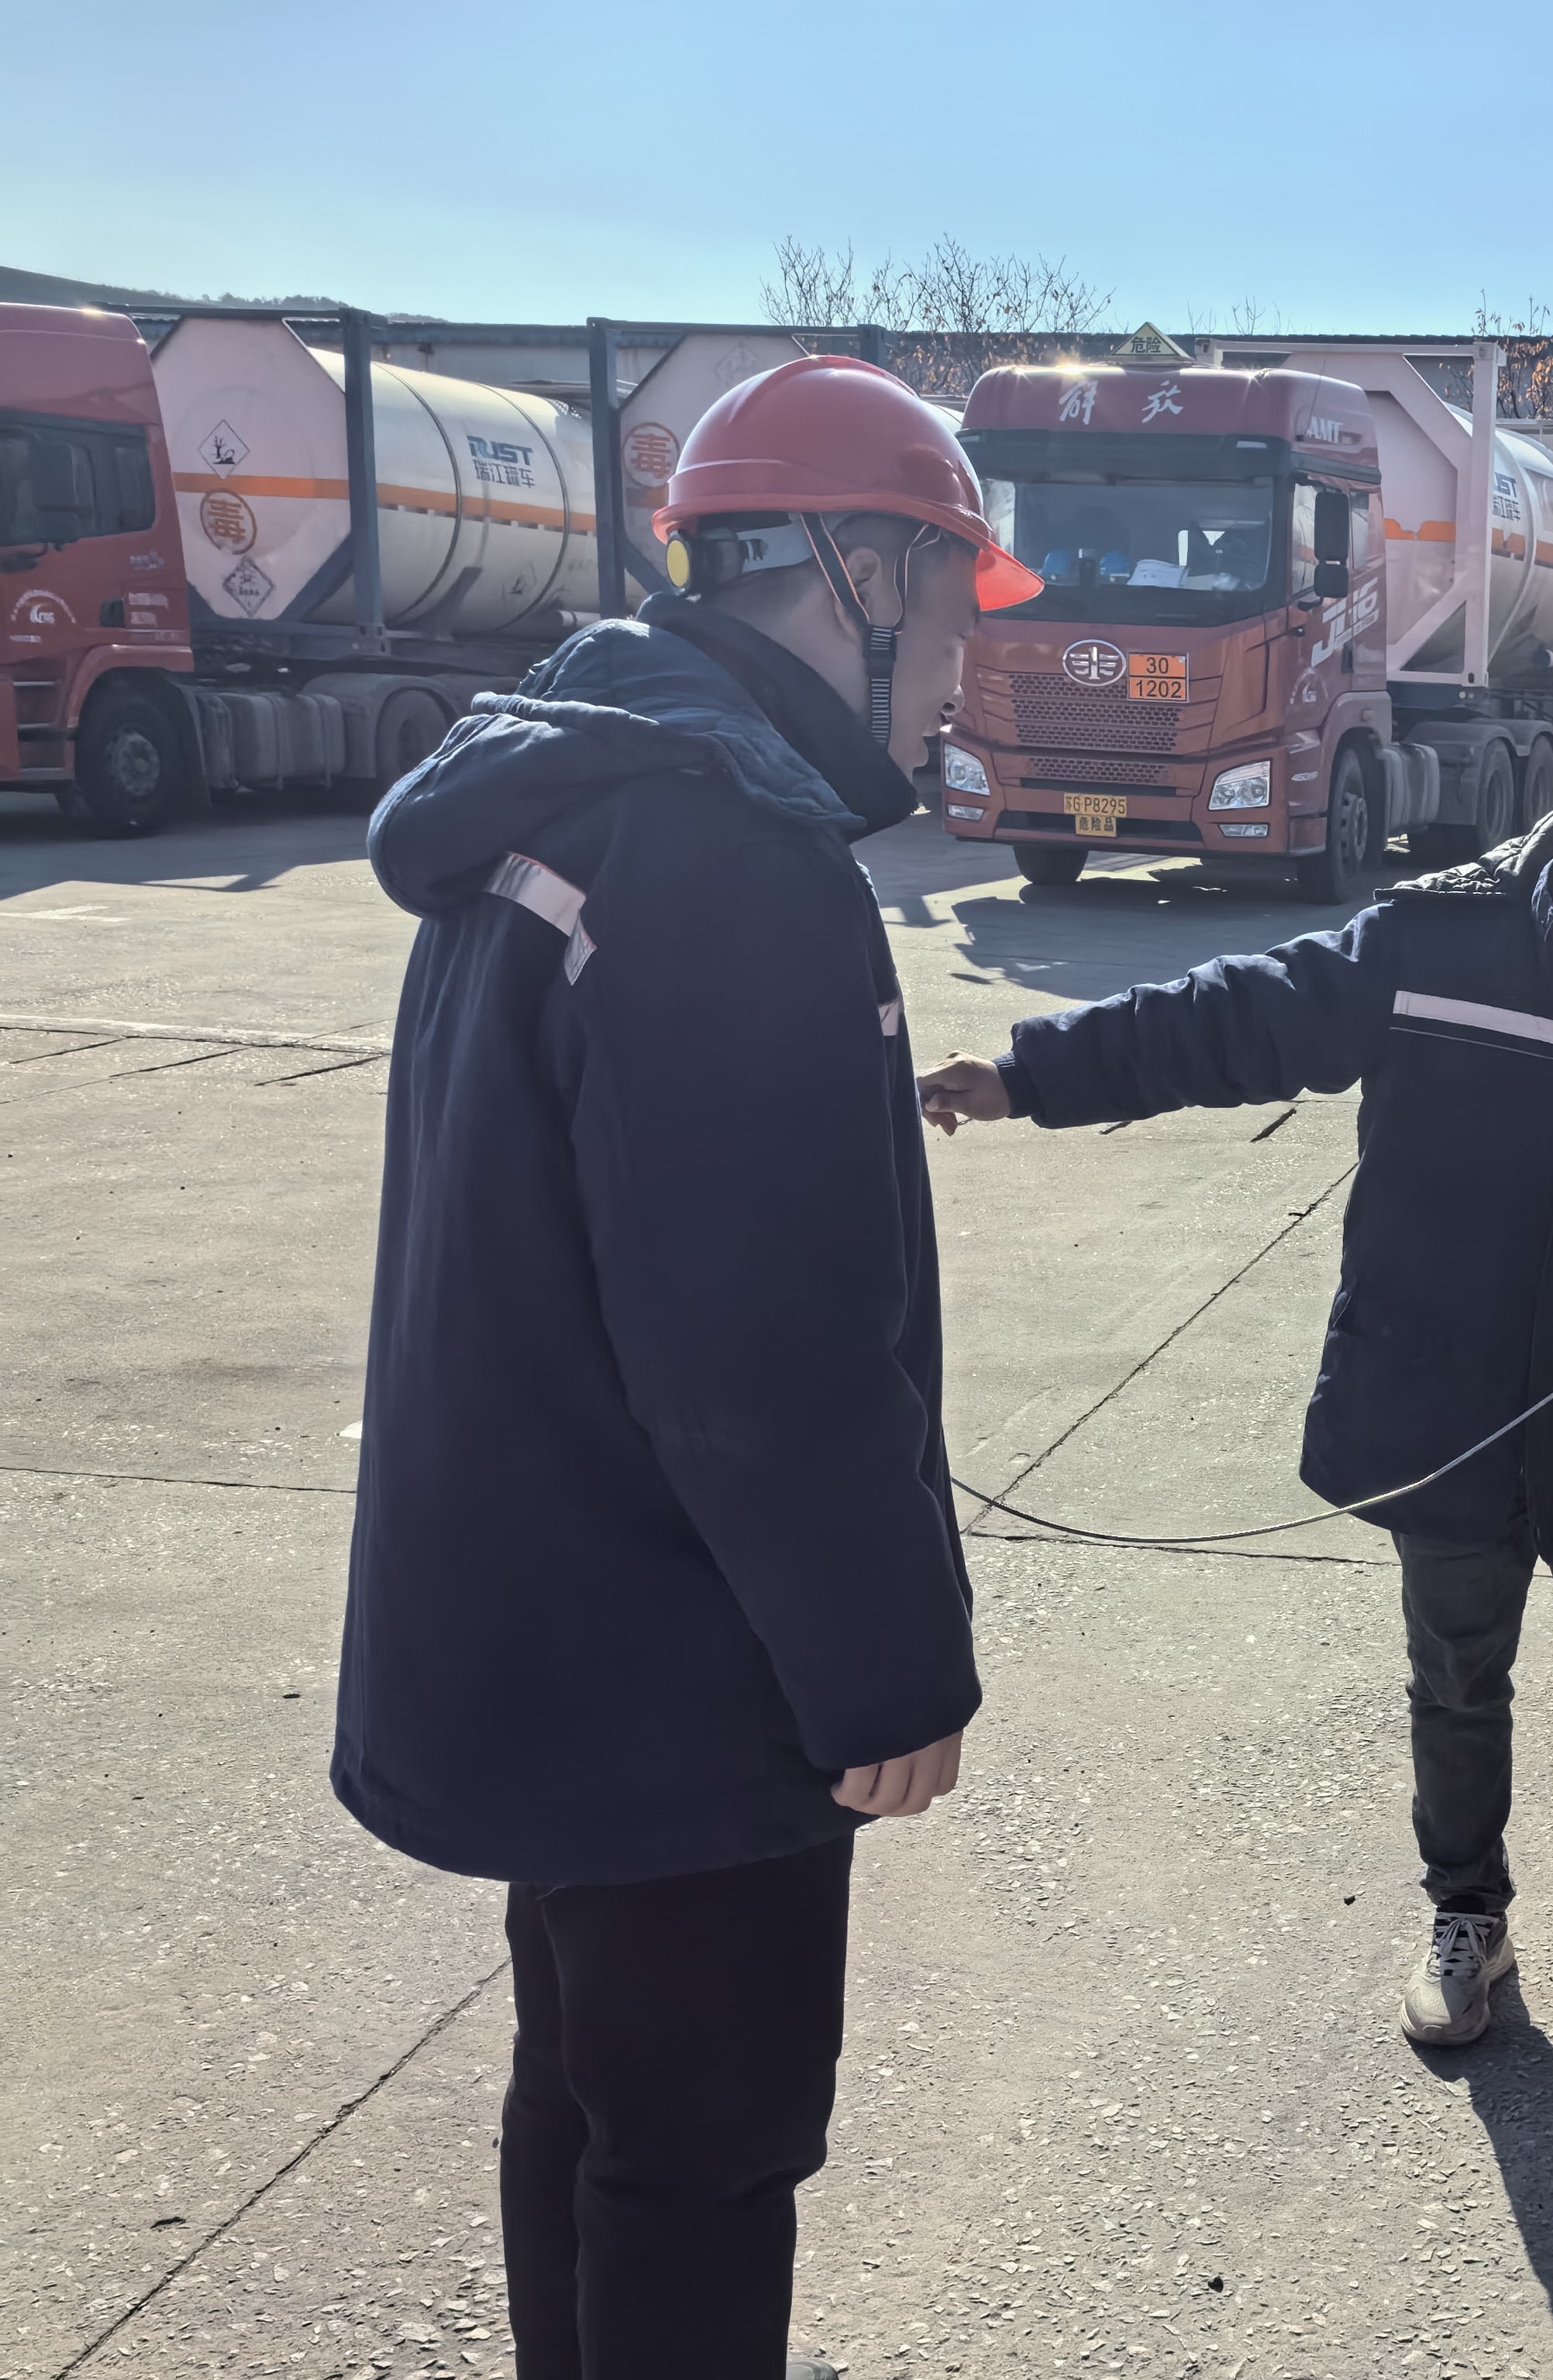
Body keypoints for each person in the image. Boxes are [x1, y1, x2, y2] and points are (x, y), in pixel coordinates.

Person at [334, 354, 1042, 2380]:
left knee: (590, 2098)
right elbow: (759, 1344)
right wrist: (885, 1670)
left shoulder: (574, 792)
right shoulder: (725, 851)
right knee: (705, 2156)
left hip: (551, 1617)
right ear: (859, 573)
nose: (961, 681)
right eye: (952, 613)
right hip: (678, 1653)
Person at [918, 696, 1553, 2048]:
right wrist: (1027, 1073)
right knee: (1457, 1680)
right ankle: (1468, 1916)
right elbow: (1227, 1019)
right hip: (1444, 1417)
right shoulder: (1436, 952)